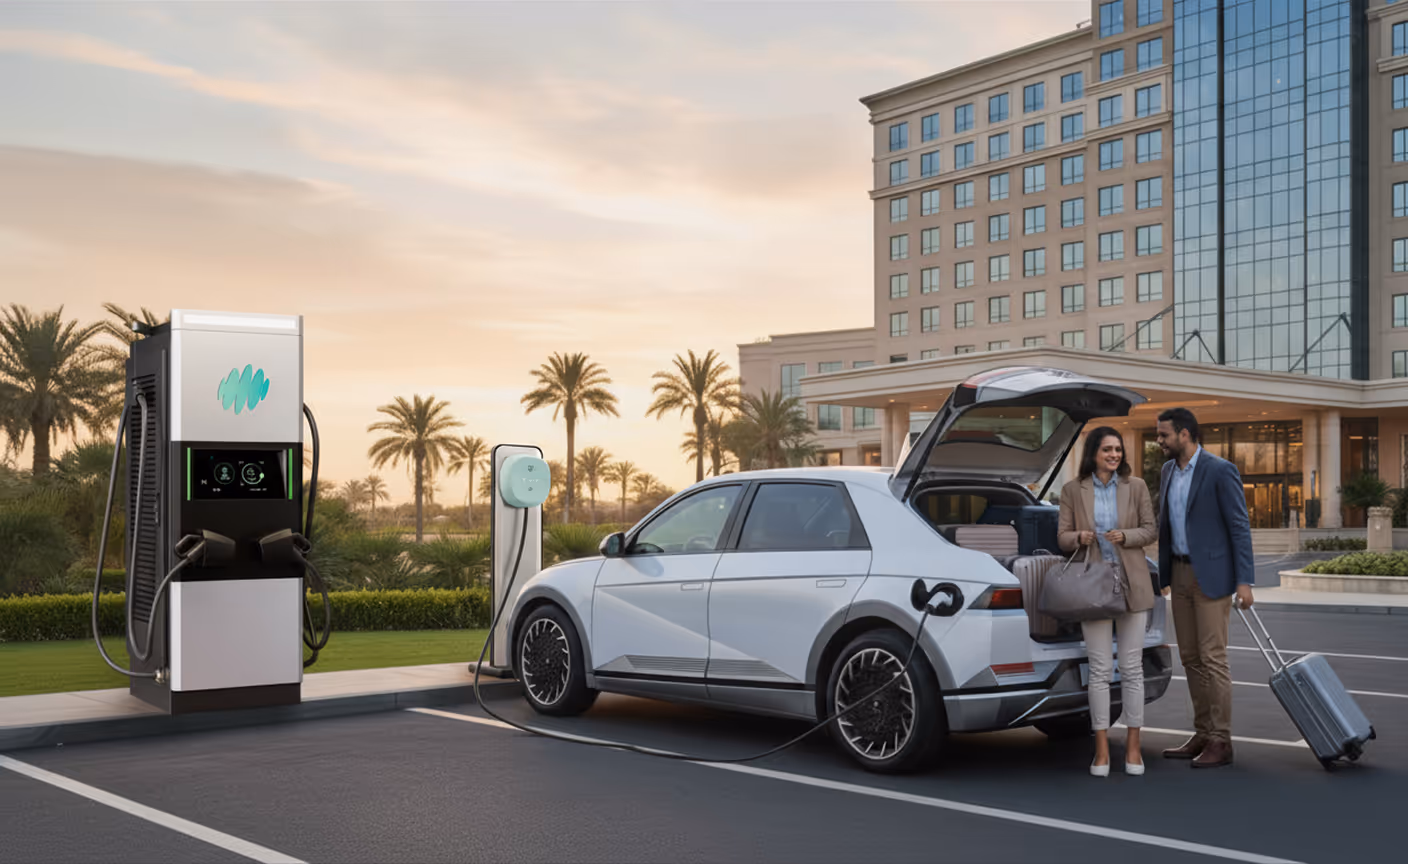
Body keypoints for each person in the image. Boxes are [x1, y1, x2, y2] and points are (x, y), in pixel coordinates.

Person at [1155, 407, 1255, 769]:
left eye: (1164, 434)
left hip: (1211, 575)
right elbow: (1164, 524)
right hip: (1178, 574)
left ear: (1185, 434)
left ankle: (1221, 740)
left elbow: (1239, 527)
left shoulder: (1220, 469)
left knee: (1213, 658)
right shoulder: (1167, 471)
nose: (1159, 440)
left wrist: (1244, 581)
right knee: (1191, 658)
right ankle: (1202, 731)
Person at [1057, 427, 1158, 777]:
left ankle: (1133, 746)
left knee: (1132, 668)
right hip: (1093, 585)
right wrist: (1080, 537)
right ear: (1093, 454)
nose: (1114, 455)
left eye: (1118, 450)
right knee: (1100, 670)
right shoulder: (1072, 490)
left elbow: (1150, 529)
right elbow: (1063, 538)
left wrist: (1126, 536)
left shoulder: (1137, 486)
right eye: (1107, 450)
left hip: (1133, 582)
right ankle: (1100, 749)